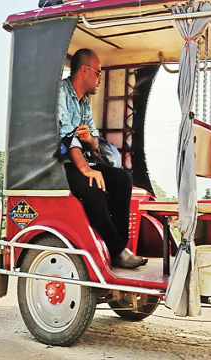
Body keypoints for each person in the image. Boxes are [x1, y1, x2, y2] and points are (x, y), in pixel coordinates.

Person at [58, 48, 146, 269]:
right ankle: (117, 250)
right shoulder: (60, 93)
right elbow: (67, 138)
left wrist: (89, 138)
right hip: (59, 162)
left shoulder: (84, 100)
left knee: (122, 179)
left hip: (82, 158)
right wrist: (86, 169)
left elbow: (94, 142)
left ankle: (118, 247)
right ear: (85, 71)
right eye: (98, 73)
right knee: (92, 186)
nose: (100, 79)